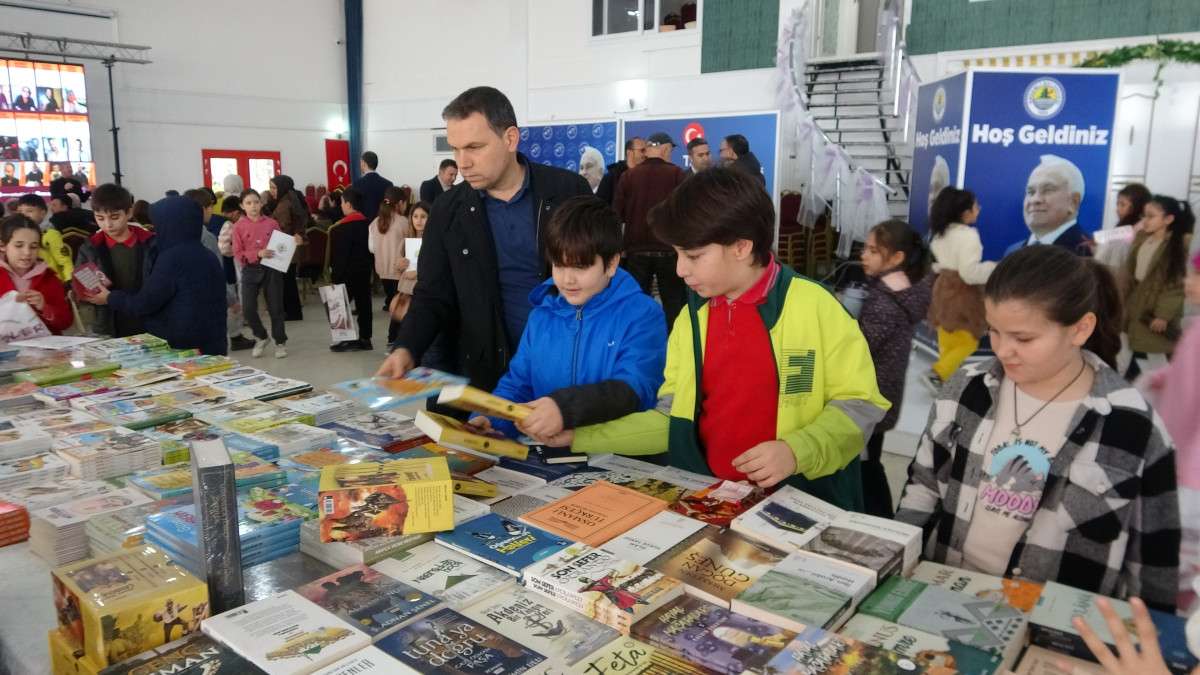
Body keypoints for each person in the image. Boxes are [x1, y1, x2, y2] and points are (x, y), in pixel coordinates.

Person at [541, 168, 889, 510]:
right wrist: (579, 437)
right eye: (677, 254)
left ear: (740, 247)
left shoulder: (816, 307)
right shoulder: (693, 319)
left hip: (802, 501)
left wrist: (798, 450)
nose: (679, 270)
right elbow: (670, 421)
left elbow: (860, 406)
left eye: (693, 256)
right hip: (709, 500)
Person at [895, 244, 1180, 611]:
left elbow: (1155, 561)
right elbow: (923, 485)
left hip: (1053, 623)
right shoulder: (967, 387)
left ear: (1080, 329)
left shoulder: (1133, 426)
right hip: (944, 595)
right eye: (994, 331)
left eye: (1024, 339)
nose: (1002, 350)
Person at [376, 86, 591, 394]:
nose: (462, 163)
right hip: (483, 373)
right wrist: (406, 347)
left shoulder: (567, 191)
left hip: (563, 367)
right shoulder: (449, 210)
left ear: (510, 139)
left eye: (474, 147)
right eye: (455, 149)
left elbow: (602, 279)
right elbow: (432, 294)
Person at [468, 196, 666, 441]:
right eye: (559, 266)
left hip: (615, 454)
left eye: (581, 267)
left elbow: (635, 387)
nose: (568, 280)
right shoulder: (542, 314)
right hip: (545, 452)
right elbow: (518, 383)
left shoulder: (642, 314)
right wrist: (491, 418)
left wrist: (565, 409)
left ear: (612, 263)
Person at [82, 197, 227, 356]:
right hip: (213, 343)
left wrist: (110, 298)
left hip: (184, 349)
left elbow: (145, 303)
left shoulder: (172, 258)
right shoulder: (207, 254)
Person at [856, 219, 932, 518]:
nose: (864, 255)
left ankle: (881, 519)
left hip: (870, 395)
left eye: (873, 250)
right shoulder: (907, 290)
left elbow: (860, 348)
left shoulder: (882, 301)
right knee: (870, 459)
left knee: (867, 464)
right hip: (887, 394)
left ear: (897, 257)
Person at [1144, 251, 1200, 612]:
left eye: (1195, 276)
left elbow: (1189, 398)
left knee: (1183, 560)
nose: (1186, 282)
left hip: (1190, 476)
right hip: (1182, 465)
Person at [615, 131, 688, 328]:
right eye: (671, 150)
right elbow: (686, 214)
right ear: (665, 149)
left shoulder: (628, 176)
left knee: (635, 305)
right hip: (668, 251)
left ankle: (638, 344)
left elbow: (616, 215)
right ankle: (675, 348)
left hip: (636, 252)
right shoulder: (677, 174)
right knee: (674, 305)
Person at [926, 187, 994, 389]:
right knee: (968, 340)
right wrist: (994, 268)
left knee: (947, 337)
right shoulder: (968, 235)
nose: (978, 209)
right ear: (965, 212)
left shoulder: (940, 234)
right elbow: (969, 273)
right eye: (976, 206)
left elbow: (935, 264)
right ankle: (938, 374)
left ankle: (944, 378)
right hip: (962, 292)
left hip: (942, 287)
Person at [74, 183, 155, 338]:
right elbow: (82, 283)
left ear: (129, 212)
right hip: (108, 323)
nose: (108, 224)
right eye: (100, 218)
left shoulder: (150, 244)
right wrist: (91, 295)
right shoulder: (90, 247)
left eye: (114, 217)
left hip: (147, 320)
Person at [1123, 194, 1191, 375]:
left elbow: (1175, 286)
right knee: (1138, 348)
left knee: (1152, 351)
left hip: (1154, 310)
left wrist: (1163, 315)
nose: (1145, 220)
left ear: (1168, 219)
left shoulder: (1175, 247)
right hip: (1137, 302)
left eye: (1151, 216)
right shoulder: (1143, 239)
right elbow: (1131, 271)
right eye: (1143, 215)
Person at [232, 189, 287, 359]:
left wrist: (290, 245)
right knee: (248, 309)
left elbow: (281, 246)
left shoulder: (272, 223)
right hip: (250, 269)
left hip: (271, 268)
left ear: (261, 203)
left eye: (256, 202)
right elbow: (237, 252)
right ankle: (261, 336)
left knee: (276, 308)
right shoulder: (238, 227)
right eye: (248, 203)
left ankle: (280, 342)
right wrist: (257, 253)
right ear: (242, 206)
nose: (253, 206)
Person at [0, 214, 72, 336]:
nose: (27, 252)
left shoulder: (50, 278)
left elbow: (65, 322)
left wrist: (45, 307)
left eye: (33, 247)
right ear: (2, 246)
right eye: (19, 246)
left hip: (45, 350)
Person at [1006, 154, 1092, 256]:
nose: (1035, 199)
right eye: (1030, 192)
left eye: (1048, 190)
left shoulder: (1091, 253)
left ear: (1073, 202)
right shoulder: (1012, 252)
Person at [330, 187, 374, 352]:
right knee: (364, 305)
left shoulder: (342, 228)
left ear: (348, 204)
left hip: (346, 273)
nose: (341, 206)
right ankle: (365, 338)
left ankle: (344, 340)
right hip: (364, 271)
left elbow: (340, 256)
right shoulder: (367, 224)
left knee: (338, 305)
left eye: (342, 202)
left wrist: (335, 276)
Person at [370, 185, 413, 346]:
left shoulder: (375, 222)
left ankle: (394, 338)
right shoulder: (403, 222)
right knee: (402, 306)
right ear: (400, 203)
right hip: (399, 271)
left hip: (382, 271)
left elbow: (371, 248)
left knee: (395, 304)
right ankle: (394, 339)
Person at [216, 195, 254, 351]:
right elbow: (223, 248)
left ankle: (237, 333)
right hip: (233, 266)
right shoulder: (230, 225)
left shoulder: (233, 224)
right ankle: (236, 336)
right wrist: (239, 251)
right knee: (235, 302)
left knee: (238, 298)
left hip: (237, 266)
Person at [267, 174, 307, 322]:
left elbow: (282, 227)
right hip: (291, 246)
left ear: (282, 187)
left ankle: (290, 312)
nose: (271, 190)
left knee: (285, 281)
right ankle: (294, 311)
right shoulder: (291, 199)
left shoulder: (284, 204)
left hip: (284, 245)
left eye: (274, 187)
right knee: (289, 280)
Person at [14, 194, 72, 283]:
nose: (24, 215)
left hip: (51, 282)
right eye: (20, 211)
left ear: (43, 213)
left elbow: (65, 262)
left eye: (29, 211)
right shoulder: (14, 235)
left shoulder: (50, 234)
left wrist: (69, 283)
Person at [1094, 182, 1152, 269]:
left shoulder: (1141, 227)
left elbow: (1107, 238)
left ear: (1137, 206)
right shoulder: (1127, 227)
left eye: (1122, 205)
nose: (1117, 209)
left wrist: (1098, 240)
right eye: (1117, 204)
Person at [596, 137, 645, 205]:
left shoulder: (646, 176)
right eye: (642, 150)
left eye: (646, 151)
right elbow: (600, 205)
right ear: (629, 153)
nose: (646, 154)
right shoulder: (612, 177)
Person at [350, 151, 394, 223]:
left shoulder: (357, 184)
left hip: (362, 225)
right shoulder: (388, 184)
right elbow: (389, 206)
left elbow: (354, 208)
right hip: (382, 224)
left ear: (363, 163)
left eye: (361, 163)